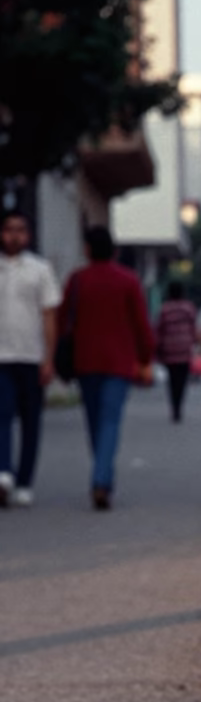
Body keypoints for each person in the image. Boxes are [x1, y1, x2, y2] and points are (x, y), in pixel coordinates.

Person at [59, 226, 154, 510]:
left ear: (87, 248)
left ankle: (101, 475)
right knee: (110, 421)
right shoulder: (128, 281)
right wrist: (145, 358)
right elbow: (141, 324)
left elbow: (65, 320)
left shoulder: (77, 280)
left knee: (94, 421)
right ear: (114, 249)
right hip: (118, 363)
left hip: (86, 361)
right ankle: (101, 480)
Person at [0, 210, 61, 507]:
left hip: (31, 355)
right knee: (2, 414)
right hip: (1, 356)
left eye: (20, 230)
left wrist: (49, 358)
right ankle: (3, 472)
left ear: (28, 234)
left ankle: (24, 481)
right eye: (9, 229)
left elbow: (49, 316)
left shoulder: (41, 270)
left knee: (30, 421)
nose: (14, 235)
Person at [155, 281, 197, 422]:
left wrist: (158, 347)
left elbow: (159, 329)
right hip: (184, 349)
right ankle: (179, 406)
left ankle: (174, 407)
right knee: (182, 380)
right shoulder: (188, 308)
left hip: (169, 349)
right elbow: (193, 328)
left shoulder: (165, 309)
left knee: (172, 380)